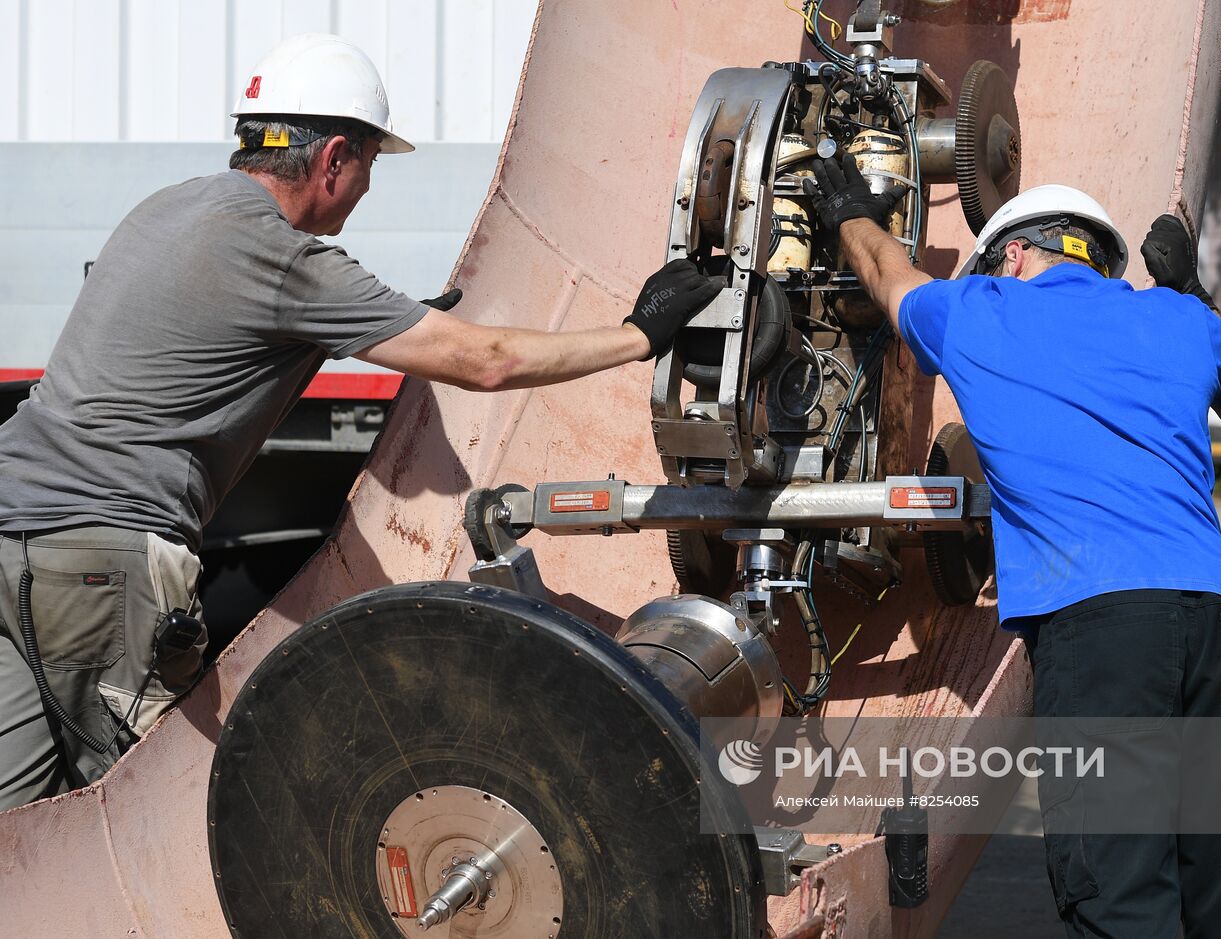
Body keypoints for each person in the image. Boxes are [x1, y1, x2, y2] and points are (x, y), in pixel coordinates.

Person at [0, 34, 720, 812]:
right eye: (372, 164)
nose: (368, 187)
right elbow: (487, 363)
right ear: (334, 157)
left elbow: (222, 340)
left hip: (9, 539)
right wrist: (639, 334)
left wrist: (393, 320)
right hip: (102, 564)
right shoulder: (282, 257)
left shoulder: (170, 206)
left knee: (22, 831)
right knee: (143, 814)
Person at [805, 156, 1221, 937]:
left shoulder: (983, 310)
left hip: (1102, 634)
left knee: (1120, 893)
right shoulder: (1178, 319)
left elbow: (891, 281)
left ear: (1016, 255)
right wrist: (1198, 297)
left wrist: (849, 217)